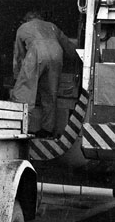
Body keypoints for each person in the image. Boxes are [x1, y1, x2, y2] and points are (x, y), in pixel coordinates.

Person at [11, 10, 76, 139]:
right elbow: (68, 47)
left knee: (24, 91)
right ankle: (47, 129)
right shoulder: (52, 26)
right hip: (57, 53)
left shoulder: (23, 28)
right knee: (50, 93)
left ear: (26, 20)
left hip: (36, 52)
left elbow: (18, 55)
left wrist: (17, 76)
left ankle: (20, 126)